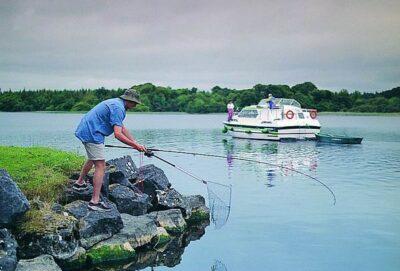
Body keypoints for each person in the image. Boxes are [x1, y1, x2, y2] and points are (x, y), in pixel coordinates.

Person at [73, 88, 150, 211]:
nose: (135, 105)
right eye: (134, 102)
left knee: (93, 158)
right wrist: (135, 146)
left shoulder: (116, 104)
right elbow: (118, 134)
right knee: (101, 165)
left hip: (89, 130)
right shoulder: (118, 108)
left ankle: (80, 182)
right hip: (92, 133)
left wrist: (136, 143)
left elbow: (122, 128)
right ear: (128, 100)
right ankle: (94, 202)